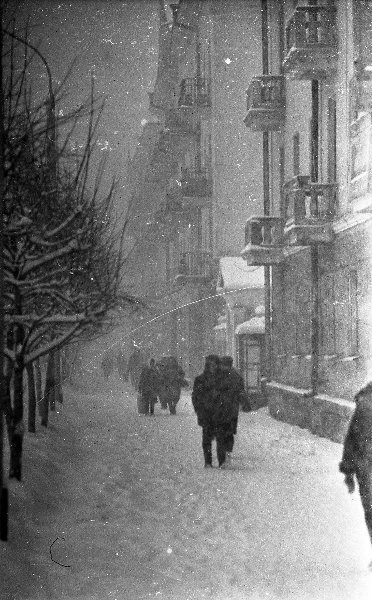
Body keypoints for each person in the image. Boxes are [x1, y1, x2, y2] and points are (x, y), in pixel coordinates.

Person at [339, 382, 372, 567]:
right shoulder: (364, 403)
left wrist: (348, 472)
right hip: (366, 466)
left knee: (371, 511)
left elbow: (351, 439)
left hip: (366, 467)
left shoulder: (364, 404)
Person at [214, 355, 245, 468]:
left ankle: (222, 459)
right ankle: (227, 453)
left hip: (219, 410)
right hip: (231, 410)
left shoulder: (216, 375)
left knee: (220, 434)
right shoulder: (236, 375)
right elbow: (241, 391)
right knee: (229, 433)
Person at [192, 355, 220, 468]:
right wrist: (199, 410)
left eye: (215, 365)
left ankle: (221, 461)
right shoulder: (200, 380)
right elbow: (196, 397)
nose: (213, 367)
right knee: (207, 438)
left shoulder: (222, 380)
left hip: (219, 413)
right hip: (207, 413)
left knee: (221, 438)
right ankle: (208, 461)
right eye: (211, 365)